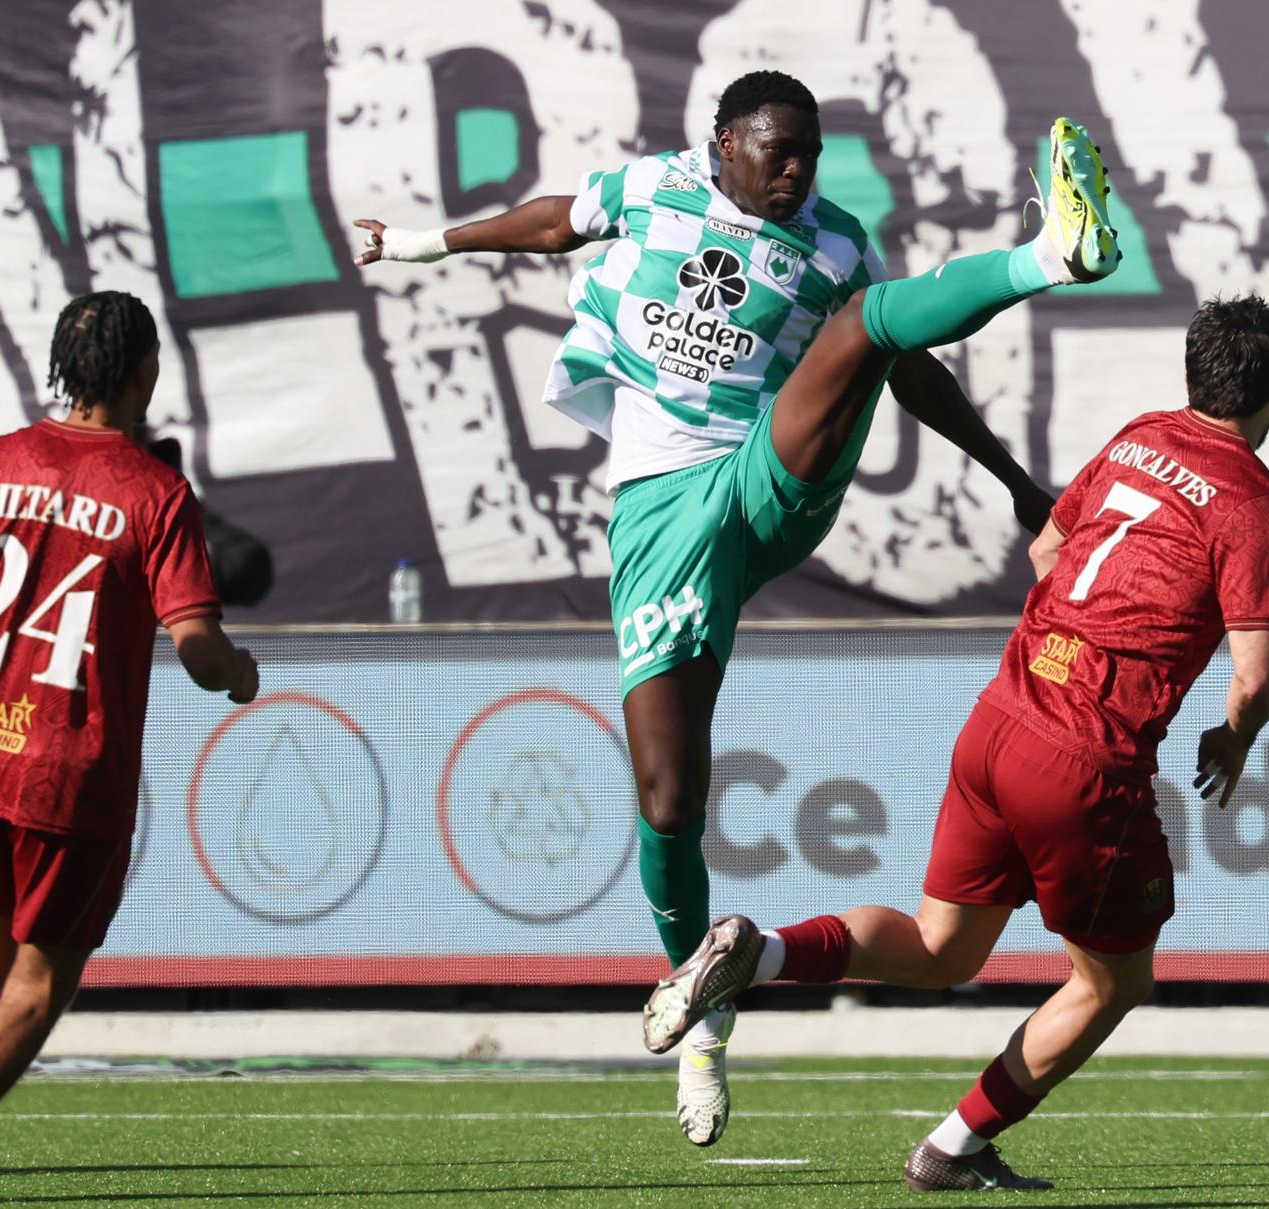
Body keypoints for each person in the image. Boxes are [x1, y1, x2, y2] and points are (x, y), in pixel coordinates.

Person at [356, 70, 1066, 1144]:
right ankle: (704, 1021)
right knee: (670, 799)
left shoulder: (834, 242)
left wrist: (1017, 484)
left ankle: (1052, 255)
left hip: (764, 481)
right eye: (777, 151)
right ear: (725, 142)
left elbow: (905, 365)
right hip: (662, 519)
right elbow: (557, 221)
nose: (797, 172)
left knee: (868, 319)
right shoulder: (656, 189)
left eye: (811, 156)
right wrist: (423, 243)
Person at [644, 295, 1269, 1190]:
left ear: (1192, 374)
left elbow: (1047, 552)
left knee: (942, 947)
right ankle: (955, 1144)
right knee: (1112, 982)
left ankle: (758, 953)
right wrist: (1232, 736)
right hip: (1086, 763)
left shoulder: (1139, 435)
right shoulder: (1257, 503)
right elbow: (1256, 673)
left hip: (1000, 717)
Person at [0, 291, 258, 1173]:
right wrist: (240, 673)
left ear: (61, 368)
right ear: (146, 372)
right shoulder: (152, 491)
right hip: (69, 776)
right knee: (31, 993)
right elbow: (195, 643)